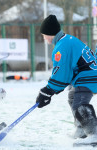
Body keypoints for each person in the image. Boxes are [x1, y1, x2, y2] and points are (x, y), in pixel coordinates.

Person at [35, 15, 97, 143]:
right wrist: (49, 90)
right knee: (73, 97)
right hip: (88, 76)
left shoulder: (62, 46)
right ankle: (81, 129)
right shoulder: (66, 40)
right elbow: (64, 71)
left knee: (79, 103)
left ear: (49, 33)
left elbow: (62, 72)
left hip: (88, 77)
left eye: (44, 34)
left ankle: (93, 134)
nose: (43, 37)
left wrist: (48, 90)